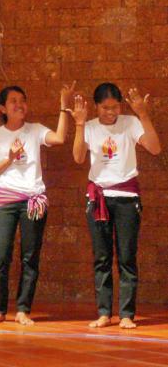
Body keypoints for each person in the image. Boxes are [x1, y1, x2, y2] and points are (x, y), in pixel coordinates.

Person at [0, 82, 75, 325]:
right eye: (13, 101)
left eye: (22, 100)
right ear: (2, 108)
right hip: (4, 199)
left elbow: (60, 138)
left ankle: (23, 309)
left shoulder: (35, 130)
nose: (19, 104)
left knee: (30, 255)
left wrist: (64, 107)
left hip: (33, 199)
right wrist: (9, 159)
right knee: (0, 255)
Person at [70, 84, 161, 329]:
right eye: (105, 107)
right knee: (101, 257)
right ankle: (103, 312)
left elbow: (155, 148)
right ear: (96, 106)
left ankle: (126, 314)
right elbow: (78, 157)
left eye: (115, 107)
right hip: (98, 197)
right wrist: (79, 124)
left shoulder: (130, 123)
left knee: (127, 257)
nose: (111, 112)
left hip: (127, 197)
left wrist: (143, 113)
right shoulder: (89, 126)